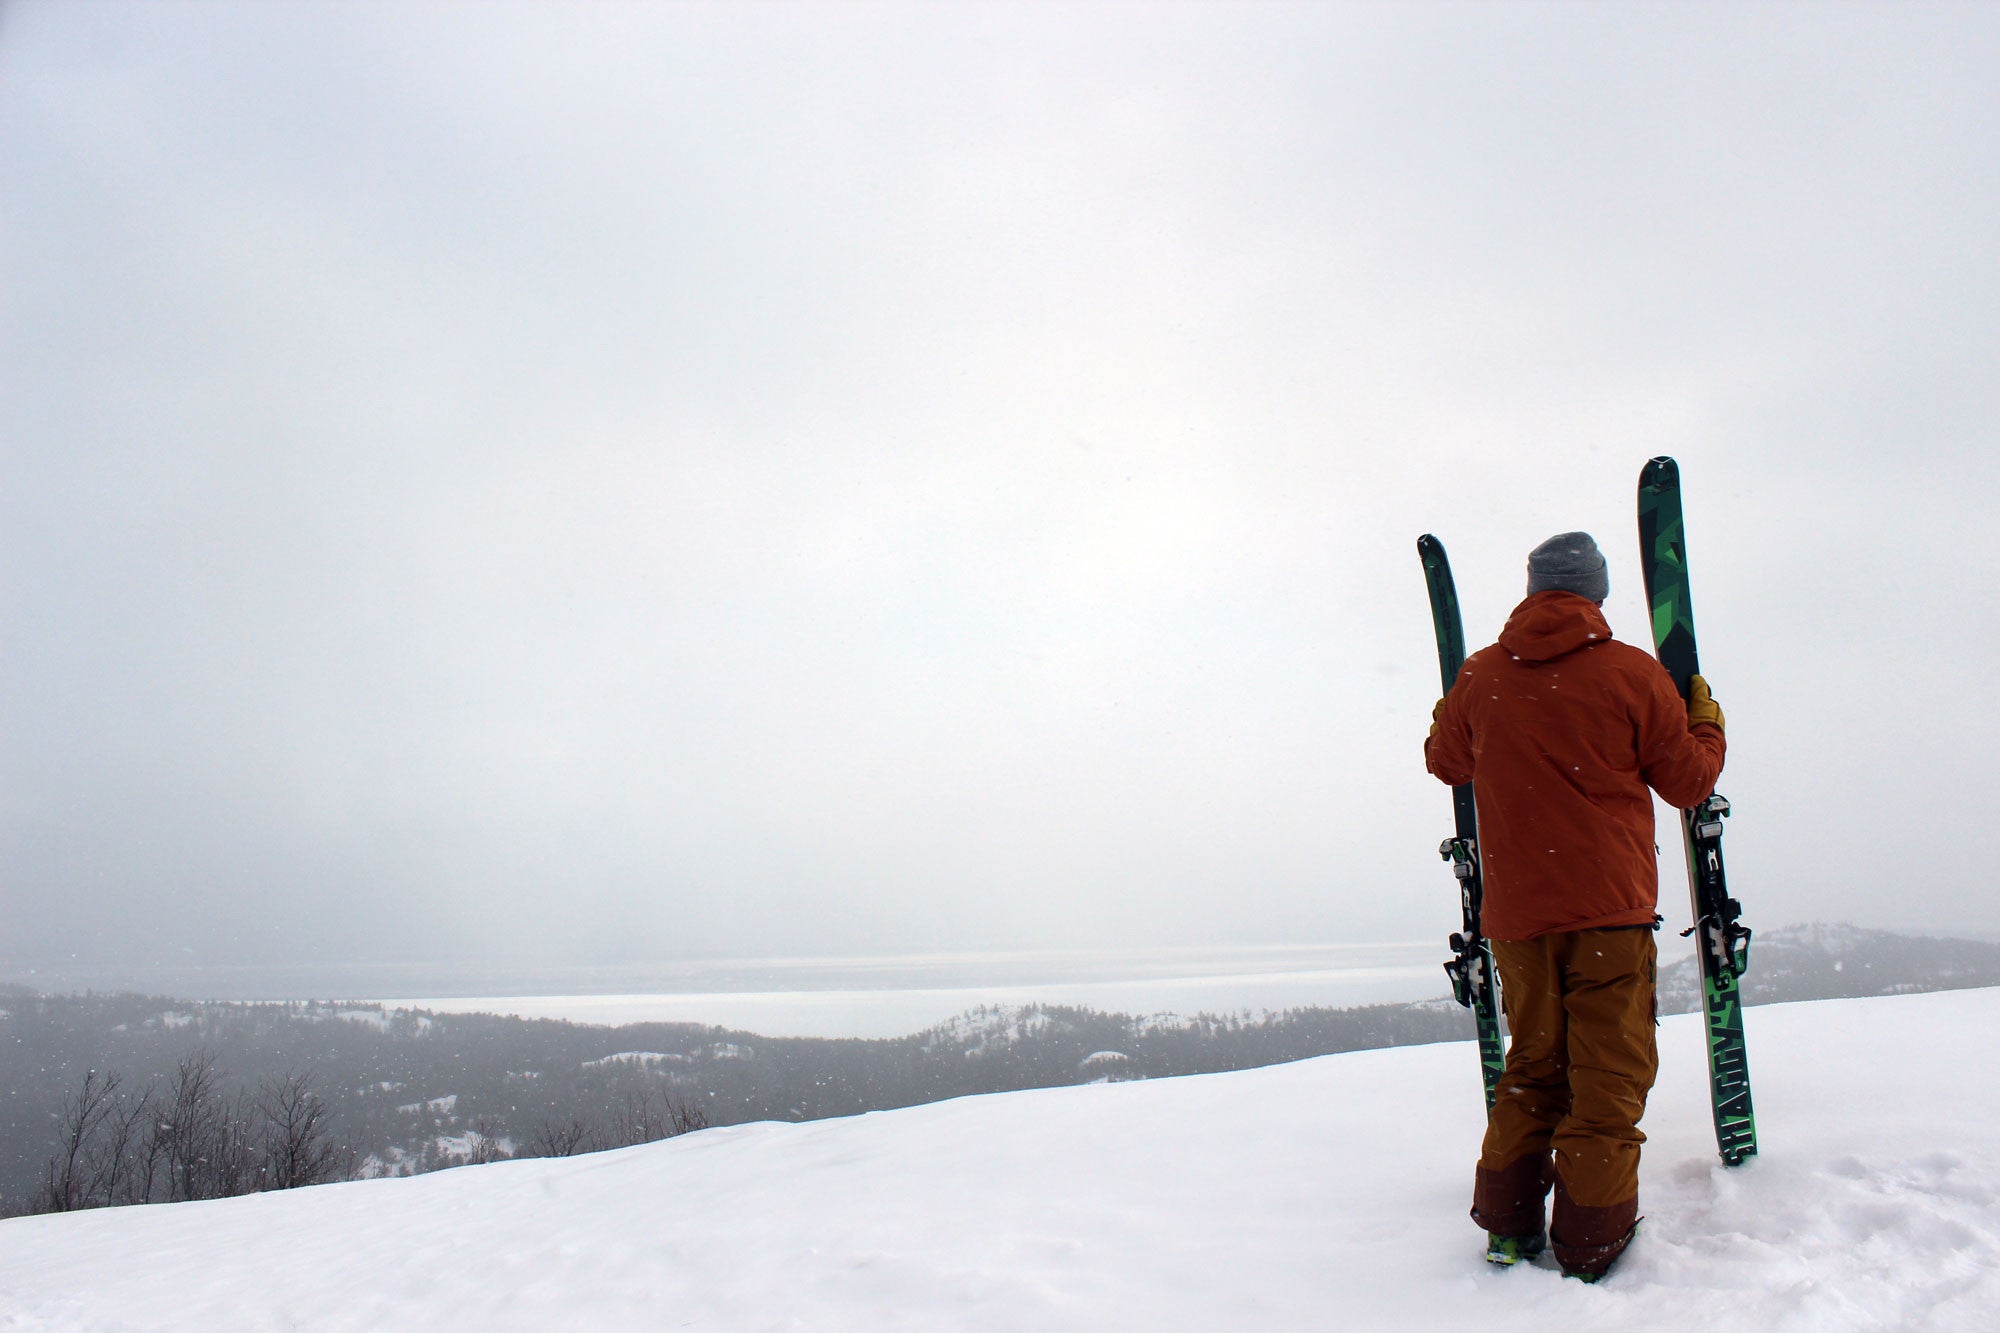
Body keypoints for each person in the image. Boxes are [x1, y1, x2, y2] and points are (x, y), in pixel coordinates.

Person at [1423, 531, 1726, 1281]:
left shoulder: (1483, 677)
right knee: (1608, 1076)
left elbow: (1445, 762)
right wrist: (1707, 723)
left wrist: (1456, 707)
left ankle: (1507, 1225)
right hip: (1607, 913)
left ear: (1532, 589)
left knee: (1531, 1068)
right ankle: (1590, 1241)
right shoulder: (1632, 674)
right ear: (1597, 591)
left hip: (1519, 918)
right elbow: (1686, 782)